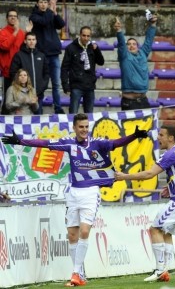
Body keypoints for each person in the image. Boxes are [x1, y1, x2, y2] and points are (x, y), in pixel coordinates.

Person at [1, 113, 148, 286]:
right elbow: (44, 144)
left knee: (84, 232)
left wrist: (134, 136)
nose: (84, 130)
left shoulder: (97, 143)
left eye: (86, 126)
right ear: (74, 128)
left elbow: (116, 143)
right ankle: (80, 273)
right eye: (81, 127)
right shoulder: (69, 144)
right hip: (73, 193)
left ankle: (76, 274)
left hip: (91, 193)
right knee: (72, 235)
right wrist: (21, 141)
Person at [115, 125, 175, 282]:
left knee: (154, 229)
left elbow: (149, 174)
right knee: (166, 232)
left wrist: (124, 176)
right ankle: (165, 270)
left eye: (161, 135)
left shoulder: (170, 154)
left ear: (171, 138)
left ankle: (160, 270)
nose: (158, 138)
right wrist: (171, 184)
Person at [29, 0, 65, 114]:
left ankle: (58, 108)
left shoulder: (50, 14)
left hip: (54, 54)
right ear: (37, 4)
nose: (44, 4)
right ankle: (38, 109)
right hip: (41, 55)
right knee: (40, 85)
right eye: (41, 2)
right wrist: (51, 10)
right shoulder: (34, 16)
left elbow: (61, 24)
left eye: (46, 2)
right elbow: (44, 22)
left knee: (56, 83)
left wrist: (55, 12)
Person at [114, 12, 157, 111]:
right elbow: (121, 44)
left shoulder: (143, 53)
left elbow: (149, 40)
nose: (132, 46)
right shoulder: (124, 56)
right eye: (129, 44)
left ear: (138, 46)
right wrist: (119, 31)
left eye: (134, 44)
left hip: (143, 100)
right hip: (129, 102)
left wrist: (153, 24)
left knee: (146, 127)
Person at [61, 26, 105, 114]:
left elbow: (101, 62)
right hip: (76, 86)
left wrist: (97, 50)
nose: (86, 38)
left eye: (88, 36)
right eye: (84, 35)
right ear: (79, 35)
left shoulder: (92, 47)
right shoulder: (71, 48)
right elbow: (64, 68)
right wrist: (66, 86)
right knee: (73, 114)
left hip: (90, 86)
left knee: (89, 115)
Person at [0, 8, 33, 114]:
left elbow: (24, 46)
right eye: (10, 16)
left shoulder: (21, 33)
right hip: (8, 71)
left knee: (21, 99)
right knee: (8, 99)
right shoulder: (2, 32)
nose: (13, 17)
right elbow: (5, 46)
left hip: (20, 73)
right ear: (6, 19)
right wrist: (15, 32)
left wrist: (27, 32)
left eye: (15, 16)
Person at [10, 32, 50, 114]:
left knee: (37, 121)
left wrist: (42, 87)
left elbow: (46, 73)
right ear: (25, 41)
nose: (31, 41)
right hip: (22, 95)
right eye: (29, 39)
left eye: (33, 39)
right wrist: (20, 89)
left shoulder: (41, 56)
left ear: (36, 41)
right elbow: (13, 72)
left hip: (38, 94)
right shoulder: (19, 55)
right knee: (24, 121)